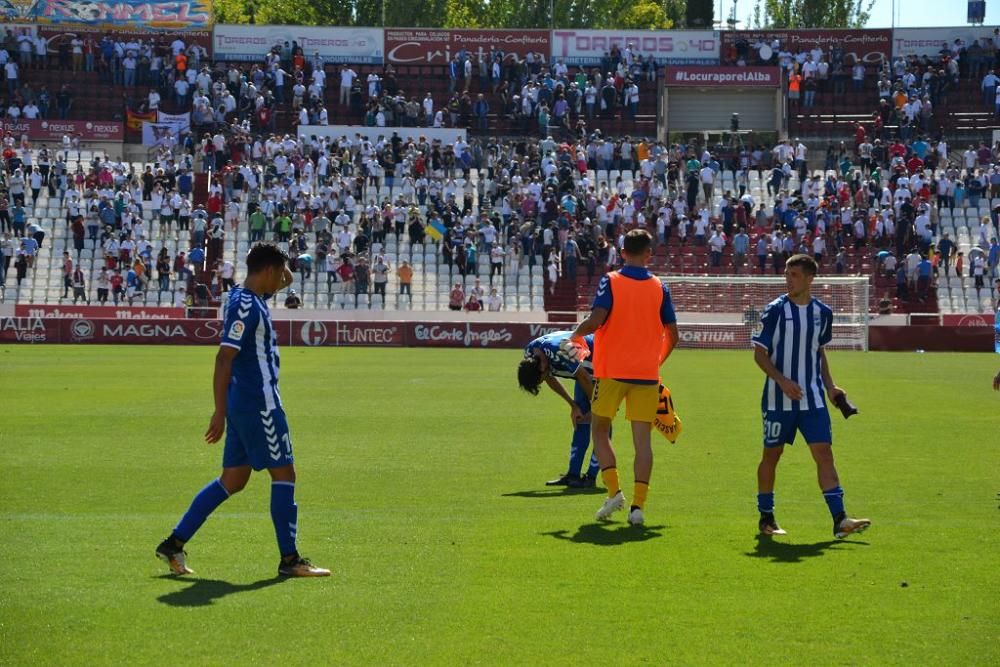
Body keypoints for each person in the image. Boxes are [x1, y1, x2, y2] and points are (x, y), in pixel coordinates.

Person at [155, 243, 329, 577]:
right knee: (284, 475)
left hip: (243, 403)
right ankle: (290, 561)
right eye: (277, 273)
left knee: (233, 480)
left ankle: (173, 544)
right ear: (266, 272)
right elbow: (224, 358)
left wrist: (279, 259)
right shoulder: (247, 306)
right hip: (258, 403)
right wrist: (218, 411)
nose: (283, 281)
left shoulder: (246, 296)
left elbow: (283, 276)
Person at [751, 254, 871, 539]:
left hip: (814, 399)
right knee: (772, 455)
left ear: (809, 278)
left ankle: (839, 519)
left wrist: (830, 386)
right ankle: (766, 518)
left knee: (824, 454)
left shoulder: (823, 313)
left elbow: (818, 351)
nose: (788, 279)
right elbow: (759, 354)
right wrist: (781, 381)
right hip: (778, 400)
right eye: (787, 274)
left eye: (794, 274)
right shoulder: (775, 310)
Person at [567, 229, 679, 526]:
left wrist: (574, 335)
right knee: (643, 442)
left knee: (600, 429)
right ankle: (638, 507)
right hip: (645, 374)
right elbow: (674, 334)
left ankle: (615, 492)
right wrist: (656, 361)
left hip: (612, 372)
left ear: (622, 251)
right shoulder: (660, 286)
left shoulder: (611, 280)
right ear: (648, 254)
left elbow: (596, 320)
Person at [518, 331, 601, 488]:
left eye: (540, 380)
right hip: (583, 372)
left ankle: (590, 477)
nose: (544, 380)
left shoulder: (558, 350)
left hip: (603, 363)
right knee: (581, 420)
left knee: (601, 423)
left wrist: (597, 408)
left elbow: (584, 377)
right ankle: (573, 475)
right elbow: (550, 377)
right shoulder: (531, 354)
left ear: (542, 368)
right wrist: (573, 405)